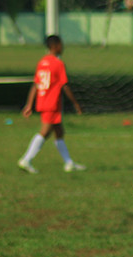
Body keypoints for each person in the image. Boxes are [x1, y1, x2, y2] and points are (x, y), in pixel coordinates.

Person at [17, 35, 85, 173]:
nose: (62, 47)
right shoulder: (58, 63)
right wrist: (76, 104)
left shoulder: (42, 62)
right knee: (45, 132)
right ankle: (26, 159)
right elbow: (64, 85)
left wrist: (29, 104)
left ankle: (68, 163)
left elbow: (36, 84)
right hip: (52, 103)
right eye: (61, 44)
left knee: (59, 132)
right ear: (55, 46)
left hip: (43, 101)